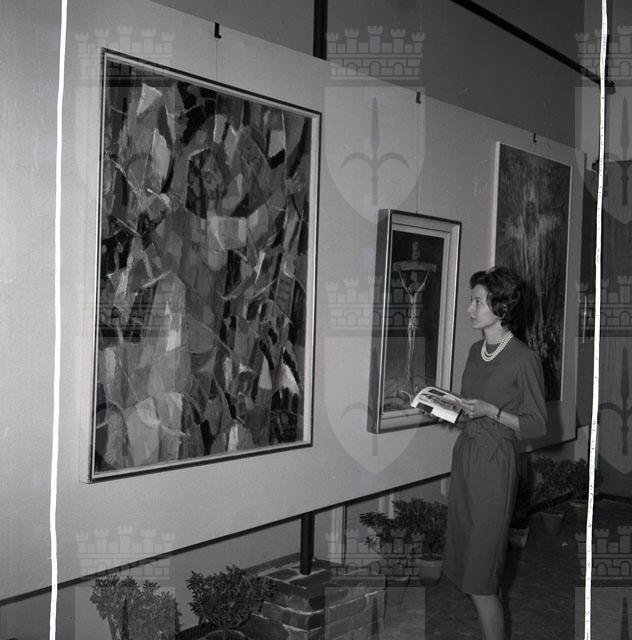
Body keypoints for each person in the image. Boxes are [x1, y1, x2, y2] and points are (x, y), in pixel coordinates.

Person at [442, 266, 547, 640]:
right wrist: (443, 407)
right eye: (471, 301)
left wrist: (492, 411)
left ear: (500, 307)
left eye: (477, 302)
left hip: (495, 463)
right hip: (467, 457)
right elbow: (467, 407)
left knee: (481, 577)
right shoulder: (475, 350)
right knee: (472, 569)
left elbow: (537, 424)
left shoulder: (522, 358)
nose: (470, 309)